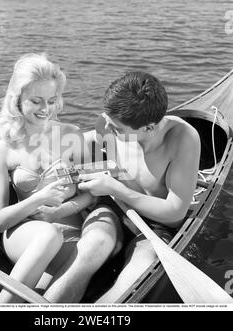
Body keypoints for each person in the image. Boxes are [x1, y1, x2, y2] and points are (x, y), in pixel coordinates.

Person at [0, 53, 120, 303]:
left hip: (69, 232)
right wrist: (39, 199)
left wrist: (61, 212)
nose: (45, 109)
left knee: (52, 292)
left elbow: (91, 194)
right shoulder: (3, 149)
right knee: (47, 236)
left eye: (51, 100)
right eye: (36, 101)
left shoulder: (71, 136)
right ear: (17, 100)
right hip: (23, 234)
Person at [79, 71, 201, 302]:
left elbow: (175, 214)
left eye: (117, 129)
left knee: (137, 272)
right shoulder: (110, 123)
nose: (107, 128)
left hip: (156, 224)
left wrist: (115, 188)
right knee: (88, 249)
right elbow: (83, 139)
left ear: (148, 128)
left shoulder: (182, 138)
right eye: (107, 119)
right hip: (115, 207)